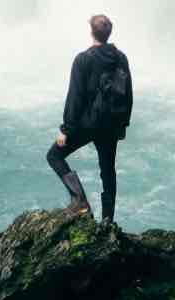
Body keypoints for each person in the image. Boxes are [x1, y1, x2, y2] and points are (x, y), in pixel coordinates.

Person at [46, 13, 132, 223]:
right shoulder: (120, 57)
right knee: (108, 171)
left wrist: (66, 129)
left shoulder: (83, 59)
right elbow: (128, 93)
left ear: (91, 32)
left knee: (54, 156)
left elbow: (75, 97)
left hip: (88, 124)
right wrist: (123, 124)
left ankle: (80, 202)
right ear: (108, 33)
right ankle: (108, 220)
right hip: (111, 124)